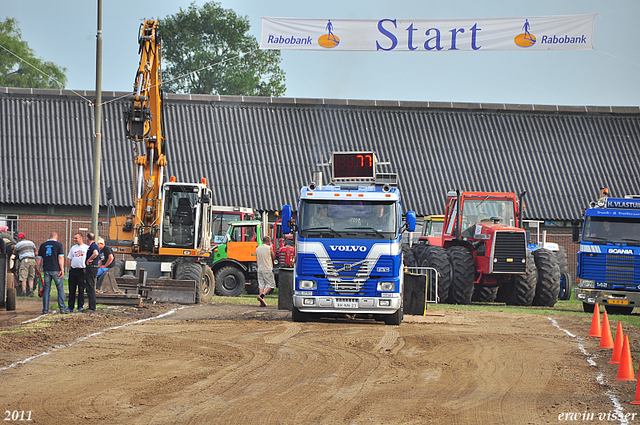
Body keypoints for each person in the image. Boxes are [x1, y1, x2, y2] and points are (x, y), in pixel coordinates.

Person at [37, 232, 66, 314]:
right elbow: (60, 257)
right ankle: (62, 308)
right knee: (60, 289)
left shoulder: (43, 245)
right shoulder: (59, 245)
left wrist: (38, 269)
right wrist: (62, 269)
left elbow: (39, 259)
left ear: (49, 236)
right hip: (56, 269)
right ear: (56, 238)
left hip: (46, 269)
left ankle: (45, 309)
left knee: (46, 289)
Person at [67, 233, 87, 312]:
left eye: (76, 238)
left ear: (81, 238)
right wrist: (70, 269)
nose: (75, 240)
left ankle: (80, 306)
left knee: (81, 289)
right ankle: (70, 306)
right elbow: (70, 258)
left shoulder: (86, 248)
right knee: (72, 289)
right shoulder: (73, 248)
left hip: (82, 270)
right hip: (73, 270)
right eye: (74, 238)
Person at [13, 232, 37, 297]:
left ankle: (24, 292)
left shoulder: (18, 244)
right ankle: (31, 291)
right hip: (33, 260)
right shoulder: (31, 243)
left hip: (25, 260)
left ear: (20, 238)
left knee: (23, 276)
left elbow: (14, 253)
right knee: (31, 276)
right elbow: (36, 253)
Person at [256, 236, 276, 307]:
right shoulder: (269, 248)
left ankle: (262, 301)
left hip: (260, 269)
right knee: (271, 284)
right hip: (267, 268)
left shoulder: (258, 248)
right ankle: (262, 296)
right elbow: (273, 256)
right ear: (268, 241)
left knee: (261, 285)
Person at [84, 232, 100, 312]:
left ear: (87, 238)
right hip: (92, 268)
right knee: (89, 286)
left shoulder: (93, 246)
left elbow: (95, 253)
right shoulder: (94, 246)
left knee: (90, 287)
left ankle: (92, 307)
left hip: (91, 268)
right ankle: (91, 306)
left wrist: (89, 260)